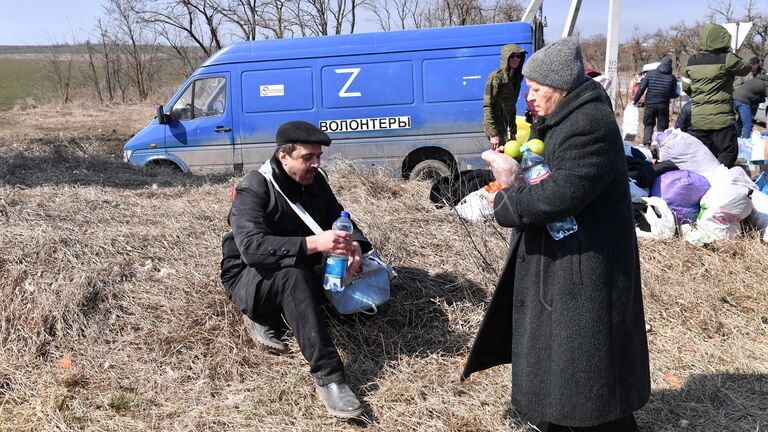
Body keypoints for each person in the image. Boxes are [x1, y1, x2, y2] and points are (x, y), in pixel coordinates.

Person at [462, 37, 650, 432]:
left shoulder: (590, 125)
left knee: (589, 373)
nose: (529, 97)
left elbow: (562, 194)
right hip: (568, 260)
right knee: (572, 370)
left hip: (587, 268)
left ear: (560, 87)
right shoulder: (568, 117)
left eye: (535, 89)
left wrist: (508, 192)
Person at [220, 121, 371, 419]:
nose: (316, 164)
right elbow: (252, 248)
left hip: (299, 267)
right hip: (251, 278)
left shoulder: (317, 182)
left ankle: (272, 317)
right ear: (283, 156)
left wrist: (356, 246)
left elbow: (340, 218)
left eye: (319, 157)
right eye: (308, 157)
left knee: (354, 310)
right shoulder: (254, 187)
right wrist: (315, 243)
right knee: (294, 277)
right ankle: (331, 379)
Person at [682, 24, 751, 168]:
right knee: (729, 152)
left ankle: (705, 182)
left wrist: (700, 97)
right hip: (722, 120)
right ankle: (718, 180)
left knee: (703, 155)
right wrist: (733, 54)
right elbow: (745, 69)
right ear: (723, 40)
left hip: (699, 119)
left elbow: (686, 87)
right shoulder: (727, 59)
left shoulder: (692, 60)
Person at [484, 44, 526, 150]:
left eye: (518, 56)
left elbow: (511, 106)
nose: (516, 59)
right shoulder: (496, 77)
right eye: (512, 56)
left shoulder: (516, 78)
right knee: (500, 159)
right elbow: (487, 106)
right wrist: (493, 134)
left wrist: (513, 132)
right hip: (497, 127)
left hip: (507, 127)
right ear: (506, 58)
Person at [633, 57, 680, 146]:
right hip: (663, 105)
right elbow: (673, 94)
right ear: (670, 66)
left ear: (660, 64)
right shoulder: (672, 78)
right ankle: (659, 146)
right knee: (662, 127)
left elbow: (641, 88)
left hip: (650, 104)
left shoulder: (650, 74)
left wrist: (635, 100)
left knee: (648, 124)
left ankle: (647, 144)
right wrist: (677, 94)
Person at [733, 74, 768, 138]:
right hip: (743, 101)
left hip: (734, 98)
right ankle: (746, 143)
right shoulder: (766, 83)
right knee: (747, 124)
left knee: (739, 122)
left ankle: (735, 140)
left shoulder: (757, 80)